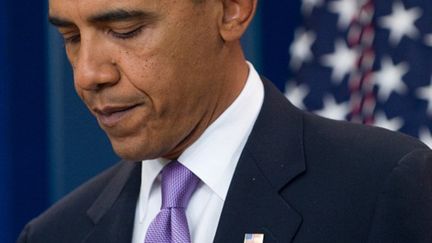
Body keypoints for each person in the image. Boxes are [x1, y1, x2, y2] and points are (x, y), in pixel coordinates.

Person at [18, 0, 432, 242]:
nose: (88, 74)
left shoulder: (381, 187)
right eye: (71, 38)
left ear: (232, 9)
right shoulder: (54, 234)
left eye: (126, 30)